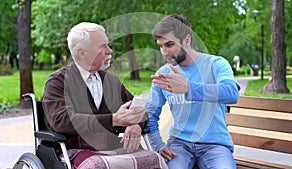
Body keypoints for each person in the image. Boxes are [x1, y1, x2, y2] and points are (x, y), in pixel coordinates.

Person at [42, 22, 167, 169]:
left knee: (153, 159)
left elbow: (138, 110)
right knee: (97, 165)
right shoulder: (58, 82)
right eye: (102, 46)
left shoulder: (110, 82)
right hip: (74, 149)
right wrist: (114, 120)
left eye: (108, 45)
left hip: (111, 147)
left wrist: (135, 124)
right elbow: (61, 121)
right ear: (82, 52)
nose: (109, 51)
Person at [146, 15, 240, 169]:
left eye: (169, 45)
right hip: (179, 145)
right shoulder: (163, 74)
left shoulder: (216, 64)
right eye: (161, 46)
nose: (164, 52)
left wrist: (189, 88)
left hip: (215, 145)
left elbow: (231, 93)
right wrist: (158, 146)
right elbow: (150, 115)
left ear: (187, 40)